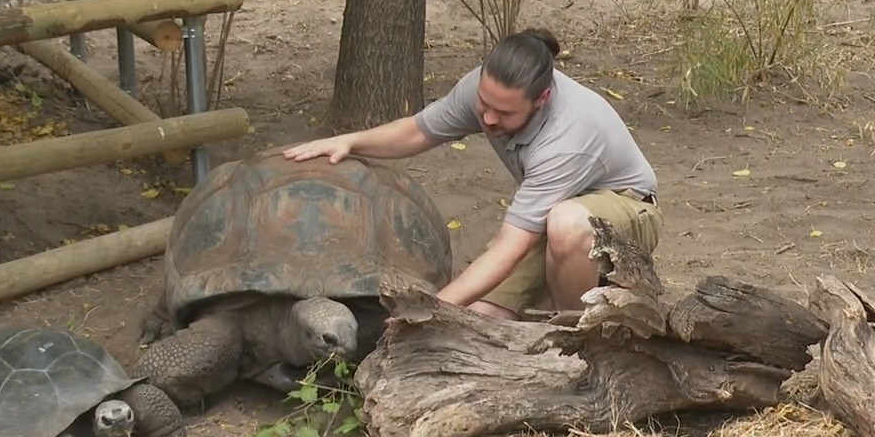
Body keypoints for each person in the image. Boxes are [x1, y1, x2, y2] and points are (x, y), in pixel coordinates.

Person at [283, 27, 662, 321]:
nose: (489, 118)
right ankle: (550, 295)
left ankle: (574, 334)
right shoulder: (485, 91)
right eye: (484, 104)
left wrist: (429, 309)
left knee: (567, 224)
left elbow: (508, 247)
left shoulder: (570, 136)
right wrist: (349, 142)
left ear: (542, 98)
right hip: (549, 219)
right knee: (479, 317)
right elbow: (418, 130)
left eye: (505, 113)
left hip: (625, 212)